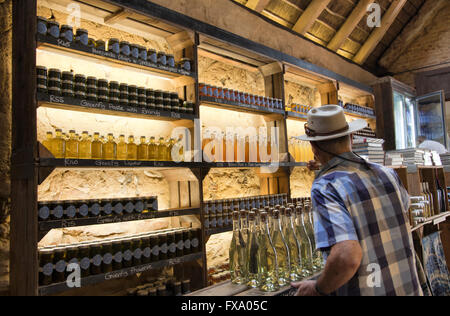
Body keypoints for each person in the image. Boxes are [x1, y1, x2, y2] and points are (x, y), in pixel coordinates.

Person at [291, 105, 422, 296]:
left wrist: (318, 288)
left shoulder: (325, 186)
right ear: (351, 138)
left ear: (314, 147)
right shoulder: (387, 173)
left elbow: (347, 256)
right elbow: (403, 205)